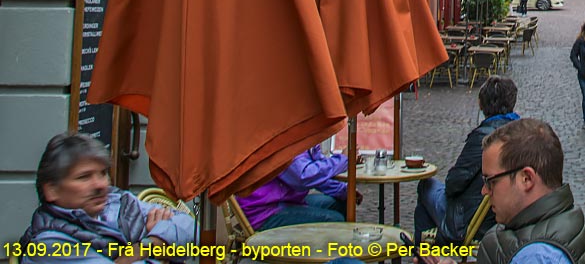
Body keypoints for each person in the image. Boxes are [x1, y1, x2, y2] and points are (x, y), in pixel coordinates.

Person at [20, 133, 196, 264]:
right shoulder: (47, 243)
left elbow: (193, 231)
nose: (100, 185)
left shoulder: (118, 202)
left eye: (103, 173)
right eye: (84, 177)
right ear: (52, 190)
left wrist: (147, 245)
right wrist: (161, 245)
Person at [475, 119, 585, 264]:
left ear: (526, 179)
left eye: (491, 181)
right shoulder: (563, 218)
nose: (484, 191)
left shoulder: (536, 257)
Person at [414, 76, 519, 242]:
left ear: (481, 105)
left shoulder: (485, 138)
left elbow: (454, 184)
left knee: (426, 186)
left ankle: (426, 254)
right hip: (497, 217)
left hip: (470, 220)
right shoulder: (521, 133)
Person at [237, 144, 353, 229]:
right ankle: (328, 258)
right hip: (264, 211)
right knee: (335, 219)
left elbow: (316, 176)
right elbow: (303, 177)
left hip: (287, 200)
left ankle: (340, 254)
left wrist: (342, 190)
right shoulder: (285, 140)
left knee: (339, 203)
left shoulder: (308, 138)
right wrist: (342, 160)